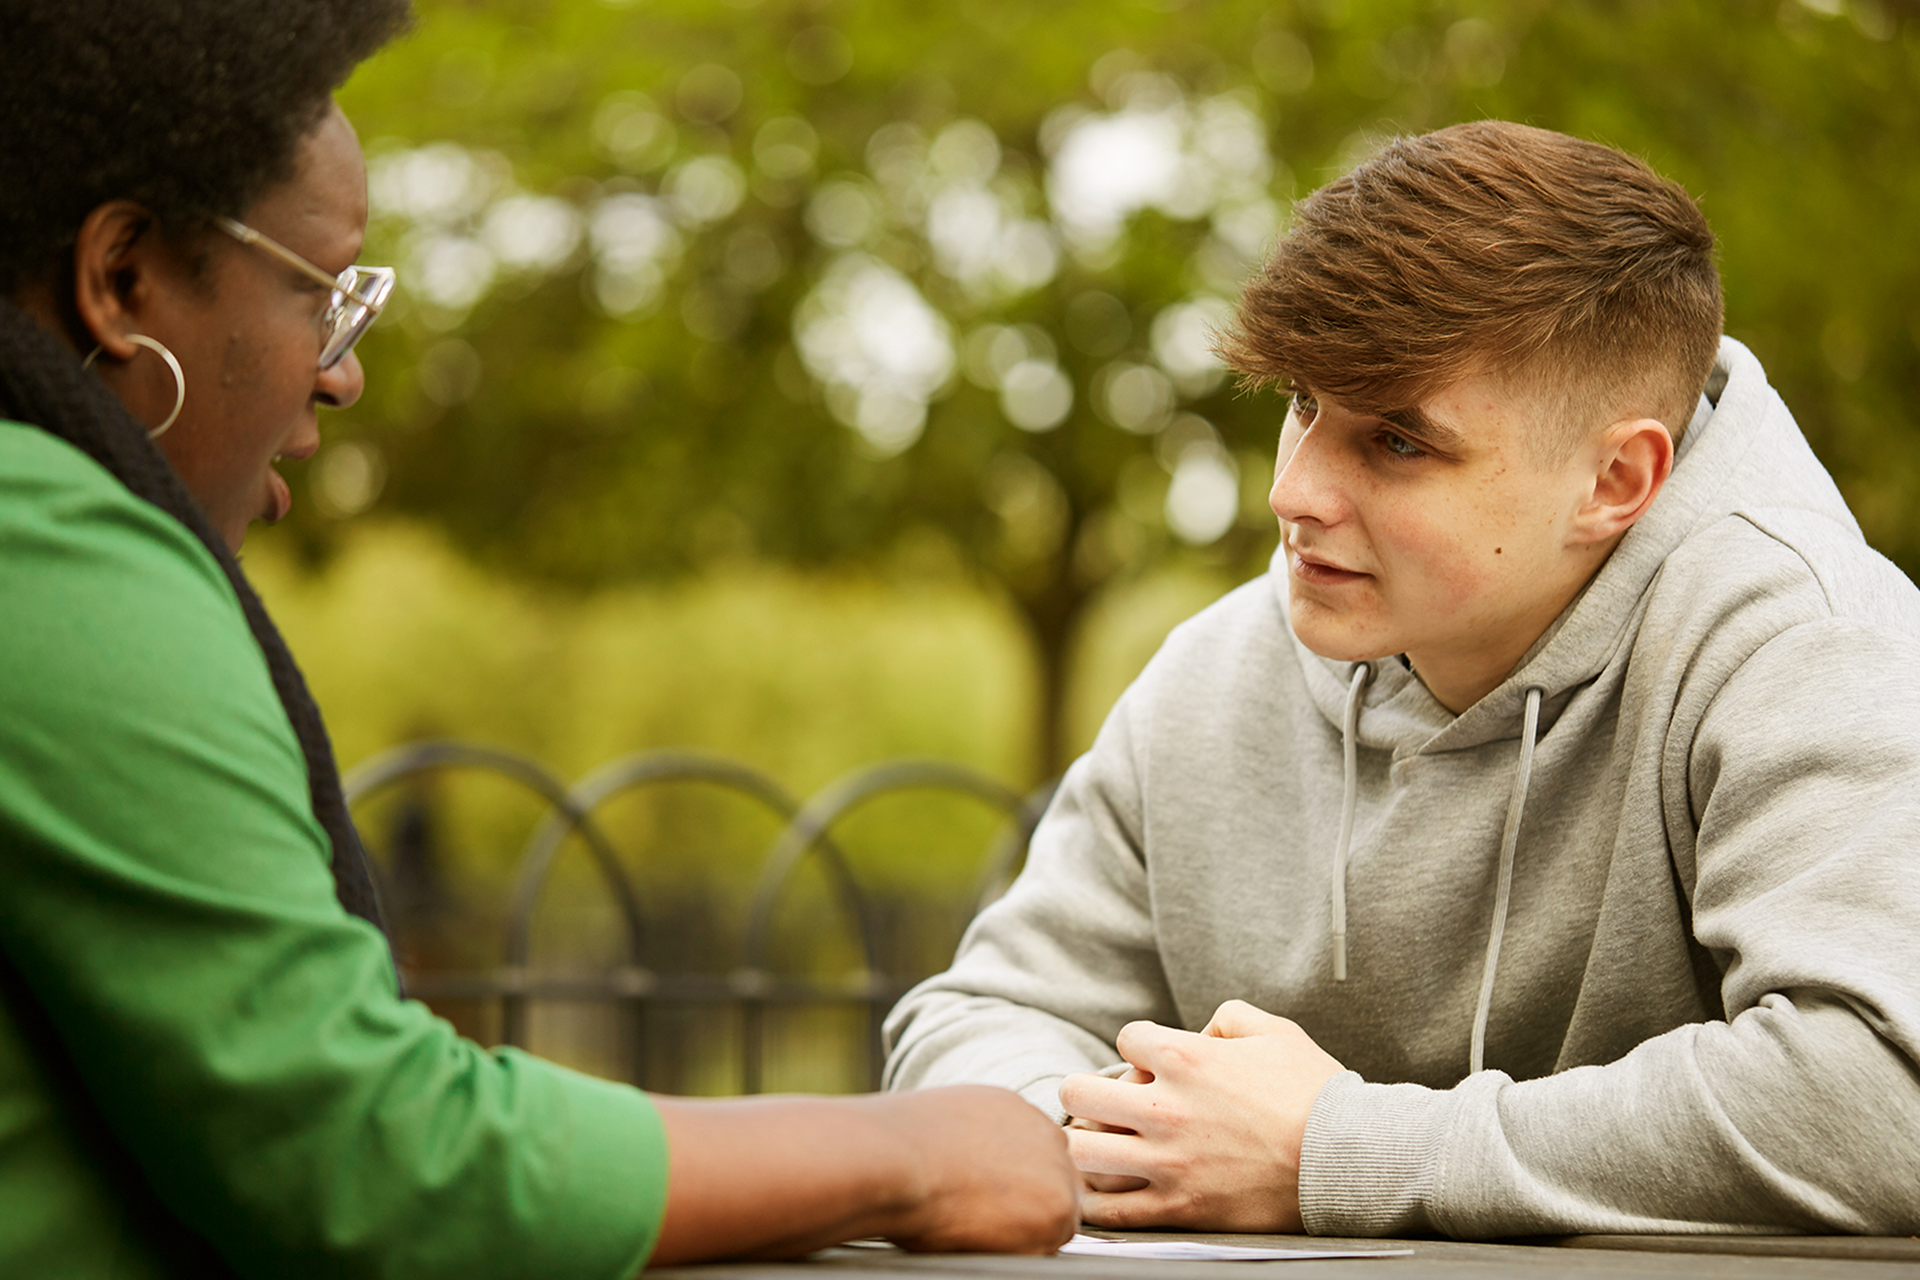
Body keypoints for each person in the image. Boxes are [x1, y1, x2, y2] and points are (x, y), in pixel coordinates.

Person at [0, 2, 1077, 1274]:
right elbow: (374, 1151)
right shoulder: (51, 537)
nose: (341, 372)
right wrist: (914, 1153)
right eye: (320, 293)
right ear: (120, 279)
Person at [884, 120, 1920, 1238]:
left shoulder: (1806, 642)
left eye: (1397, 443)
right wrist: (1134, 1145)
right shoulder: (1219, 670)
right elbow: (980, 1017)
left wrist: (1333, 1150)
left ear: (1616, 478)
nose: (1293, 492)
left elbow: (1881, 1097)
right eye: (1299, 403)